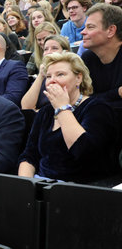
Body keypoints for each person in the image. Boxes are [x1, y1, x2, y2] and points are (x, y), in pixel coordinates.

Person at [19, 52, 119, 184]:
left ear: (78, 78)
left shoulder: (97, 108)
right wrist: (26, 186)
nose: (52, 80)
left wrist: (62, 108)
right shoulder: (45, 112)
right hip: (42, 185)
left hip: (82, 189)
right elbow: (29, 155)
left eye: (60, 74)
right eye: (48, 76)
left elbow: (84, 151)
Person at [81, 3, 122, 108]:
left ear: (111, 31)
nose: (82, 32)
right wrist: (117, 93)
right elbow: (82, 101)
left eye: (90, 27)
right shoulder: (88, 58)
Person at [21, 35, 71, 110]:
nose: (49, 52)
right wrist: (41, 75)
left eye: (54, 48)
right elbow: (26, 106)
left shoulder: (70, 74)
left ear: (65, 52)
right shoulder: (43, 76)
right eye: (46, 49)